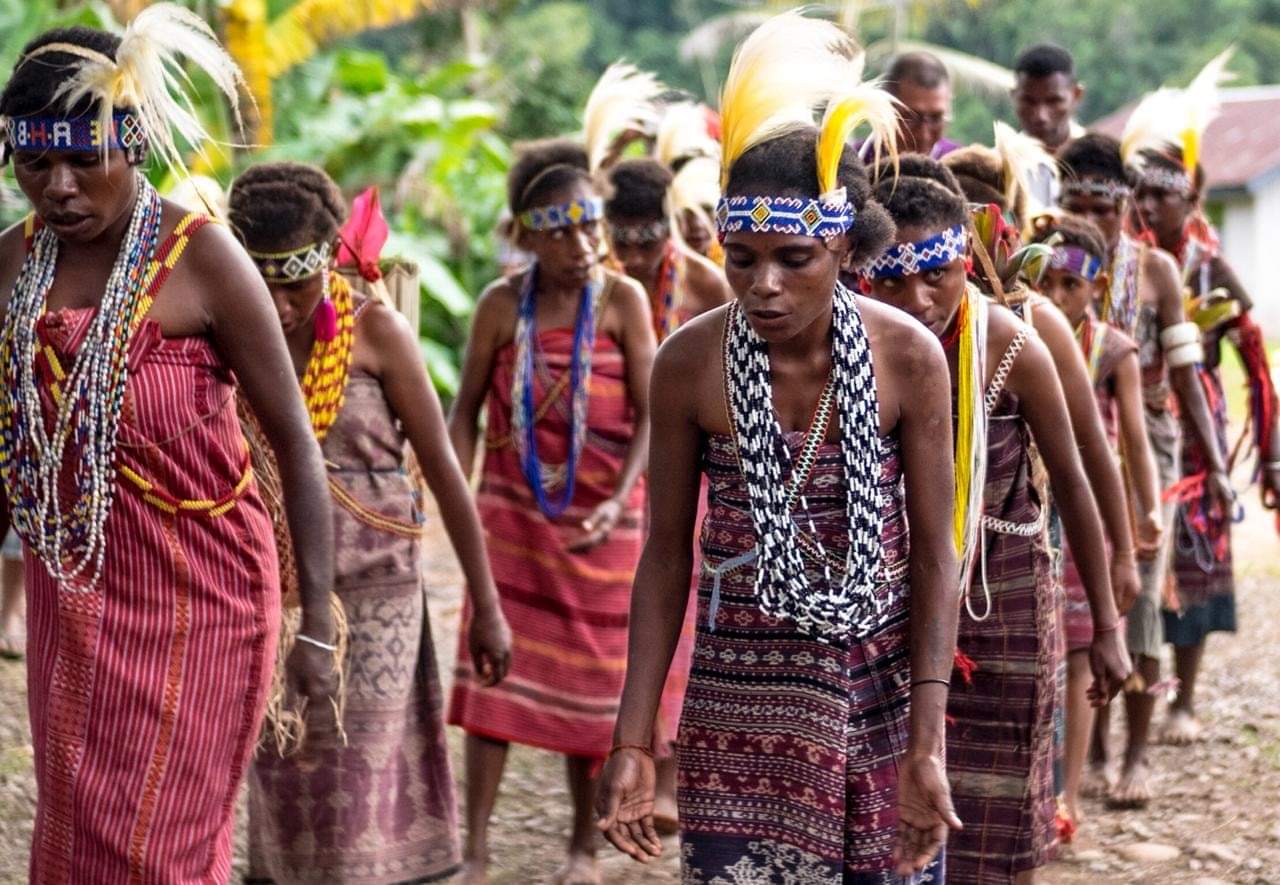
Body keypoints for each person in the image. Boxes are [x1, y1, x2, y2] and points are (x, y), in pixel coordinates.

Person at [597, 12, 960, 881]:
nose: (764, 284)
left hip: (875, 687)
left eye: (793, 257)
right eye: (742, 256)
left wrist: (926, 740)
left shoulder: (907, 354)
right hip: (739, 701)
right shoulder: (690, 363)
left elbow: (935, 553)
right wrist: (635, 740)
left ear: (841, 243)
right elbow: (665, 557)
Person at [0, 7, 336, 880]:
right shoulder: (9, 267)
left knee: (162, 848)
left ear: (135, 145)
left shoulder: (204, 261)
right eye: (37, 163)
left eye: (86, 159)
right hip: (71, 606)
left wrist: (319, 637)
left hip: (204, 606)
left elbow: (297, 447)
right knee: (77, 842)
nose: (61, 187)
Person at [228, 163, 512, 883]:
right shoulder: (227, 333)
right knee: (285, 773)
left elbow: (446, 473)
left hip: (378, 588)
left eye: (296, 281)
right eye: (262, 281)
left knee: (361, 778)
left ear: (329, 259)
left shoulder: (376, 331)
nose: (282, 304)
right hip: (277, 586)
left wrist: (487, 606)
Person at [864, 172, 1130, 883]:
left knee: (999, 811)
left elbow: (1073, 479)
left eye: (936, 276)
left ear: (965, 263)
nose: (918, 299)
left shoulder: (1011, 344)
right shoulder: (852, 345)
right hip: (891, 597)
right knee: (892, 805)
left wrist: (1105, 622)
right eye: (892, 281)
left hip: (999, 595)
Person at [447, 138, 655, 885]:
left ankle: (582, 847)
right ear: (525, 234)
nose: (582, 243)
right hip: (511, 517)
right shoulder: (500, 306)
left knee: (597, 694)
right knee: (491, 682)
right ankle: (473, 850)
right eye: (560, 228)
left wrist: (624, 494)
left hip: (606, 523)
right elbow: (463, 412)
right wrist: (462, 499)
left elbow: (653, 413)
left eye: (589, 224)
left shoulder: (624, 301)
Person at [1057, 132, 1232, 806]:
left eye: (1104, 207)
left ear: (1125, 204)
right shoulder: (1054, 262)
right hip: (1069, 445)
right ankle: (1089, 750)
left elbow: (1186, 374)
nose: (1094, 220)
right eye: (1078, 204)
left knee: (1142, 602)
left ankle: (1136, 753)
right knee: (1083, 601)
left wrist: (1213, 462)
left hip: (1144, 447)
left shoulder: (1155, 270)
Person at [1130, 145, 1280, 744]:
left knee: (1194, 559)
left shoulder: (1209, 266)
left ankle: (1183, 702)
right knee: (1141, 558)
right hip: (1136, 419)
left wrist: (1268, 454)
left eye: (1161, 194)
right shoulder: (1126, 262)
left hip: (1198, 436)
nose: (1146, 205)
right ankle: (1138, 687)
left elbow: (1255, 360)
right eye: (1139, 192)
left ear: (1190, 201)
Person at [1029, 214, 1162, 828]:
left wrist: (1138, 525)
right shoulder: (1024, 334)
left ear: (1097, 285)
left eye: (1070, 286)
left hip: (1087, 511)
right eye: (1046, 281)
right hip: (1032, 510)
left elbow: (1129, 441)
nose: (1057, 296)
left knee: (1083, 653)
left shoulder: (1111, 348)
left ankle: (1068, 796)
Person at [604, 158, 731, 339]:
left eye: (647, 245)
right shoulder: (596, 283)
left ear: (671, 229)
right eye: (621, 243)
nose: (633, 258)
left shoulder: (707, 283)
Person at [1011, 43, 1085, 208]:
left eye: (1053, 101)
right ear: (1014, 96)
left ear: (1077, 95)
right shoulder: (999, 166)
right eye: (1029, 101)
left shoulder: (1099, 161)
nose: (1040, 116)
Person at [886, 51, 959, 158]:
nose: (924, 136)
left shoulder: (960, 165)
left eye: (935, 119)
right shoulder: (858, 164)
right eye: (911, 118)